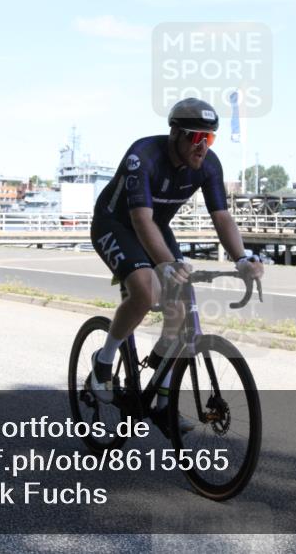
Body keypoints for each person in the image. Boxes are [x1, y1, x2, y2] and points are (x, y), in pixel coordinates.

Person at [88, 98, 264, 418]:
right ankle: (103, 359)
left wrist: (242, 258)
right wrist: (166, 265)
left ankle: (163, 393)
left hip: (155, 227)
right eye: (196, 138)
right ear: (175, 134)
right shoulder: (142, 156)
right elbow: (140, 219)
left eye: (209, 139)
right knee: (146, 290)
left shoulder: (209, 165)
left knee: (180, 308)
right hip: (116, 223)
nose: (203, 147)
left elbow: (221, 217)